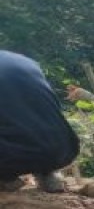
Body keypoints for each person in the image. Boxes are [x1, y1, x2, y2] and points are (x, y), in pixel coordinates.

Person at [0, 51, 79, 193]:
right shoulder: (25, 61)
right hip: (63, 149)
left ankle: (6, 179)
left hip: (14, 156)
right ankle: (48, 174)